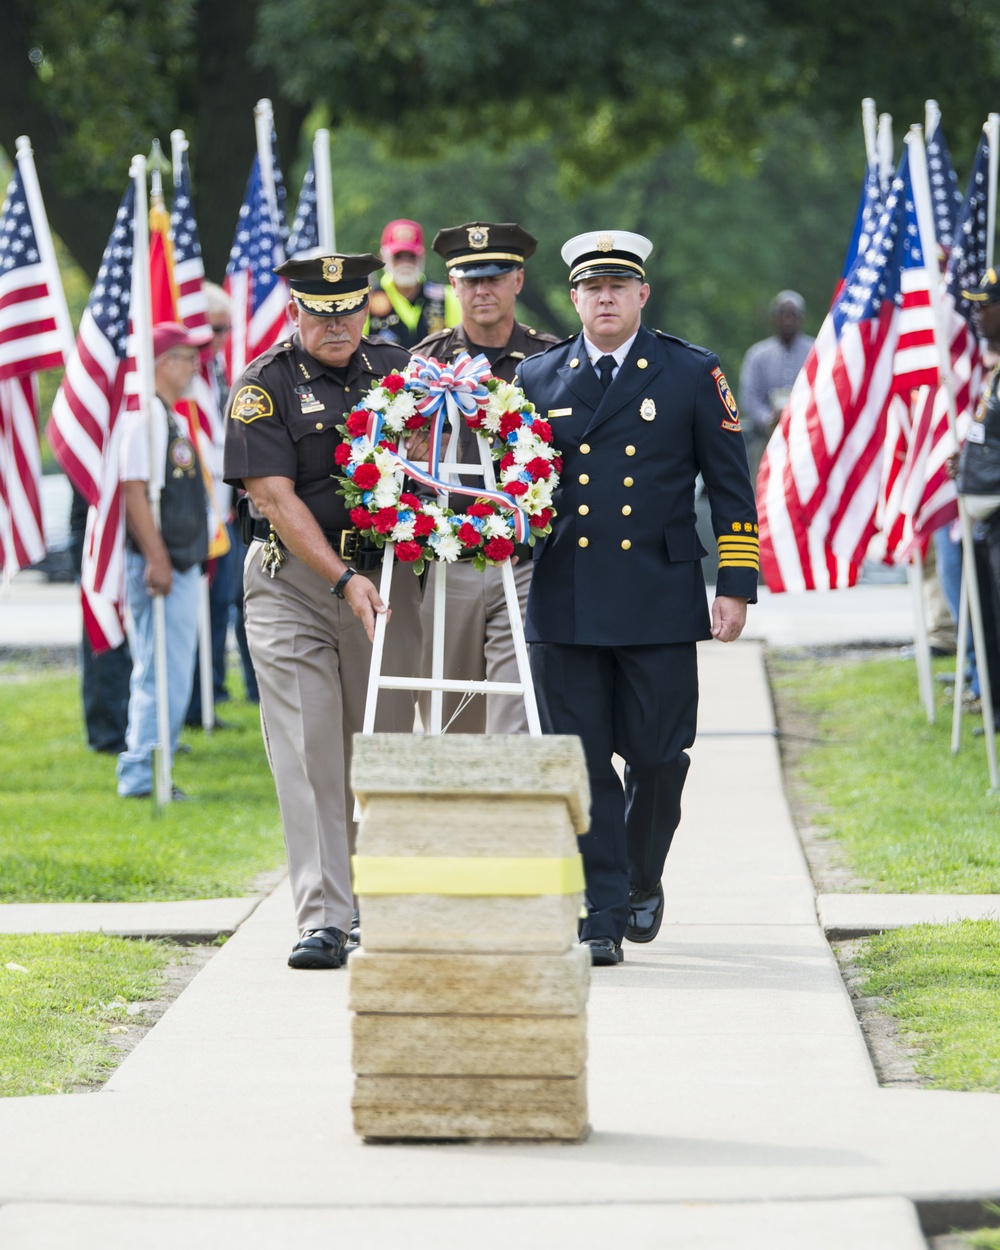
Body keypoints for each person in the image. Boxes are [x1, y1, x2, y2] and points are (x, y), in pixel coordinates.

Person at [516, 231, 759, 966]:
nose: (607, 298)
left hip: (657, 595)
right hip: (568, 600)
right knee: (584, 766)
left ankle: (640, 874)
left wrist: (737, 584)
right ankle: (602, 911)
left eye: (620, 286)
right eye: (593, 288)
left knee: (658, 760)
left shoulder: (689, 372)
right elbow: (512, 487)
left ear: (643, 295)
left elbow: (729, 486)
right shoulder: (537, 377)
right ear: (575, 298)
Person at [223, 253, 424, 971]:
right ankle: (324, 916)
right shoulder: (264, 386)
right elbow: (274, 499)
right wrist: (342, 580)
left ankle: (376, 894)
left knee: (384, 744)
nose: (336, 323)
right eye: (321, 311)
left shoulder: (402, 369)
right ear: (294, 314)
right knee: (311, 751)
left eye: (348, 309)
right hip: (296, 589)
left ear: (368, 305)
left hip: (389, 583)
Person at [412, 221, 559, 734]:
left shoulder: (554, 360)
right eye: (469, 279)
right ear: (453, 285)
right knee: (450, 714)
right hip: (447, 558)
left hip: (526, 559)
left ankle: (508, 813)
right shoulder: (422, 365)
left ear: (518, 281)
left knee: (517, 712)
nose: (482, 291)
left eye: (495, 278)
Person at [116, 321, 213, 799]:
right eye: (185, 358)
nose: (193, 366)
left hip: (178, 563)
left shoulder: (167, 417)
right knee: (160, 670)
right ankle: (142, 773)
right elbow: (134, 490)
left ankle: (155, 766)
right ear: (162, 364)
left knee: (170, 669)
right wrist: (157, 557)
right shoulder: (147, 418)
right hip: (163, 566)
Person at [185, 281, 241, 727]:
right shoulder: (189, 377)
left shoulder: (217, 369)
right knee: (202, 607)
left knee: (222, 603)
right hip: (195, 511)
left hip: (223, 507)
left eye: (225, 329)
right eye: (215, 328)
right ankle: (196, 699)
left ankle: (212, 689)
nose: (221, 338)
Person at [69, 485, 132, 754]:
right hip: (98, 542)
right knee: (104, 638)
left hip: (120, 537)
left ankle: (131, 729)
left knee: (129, 647)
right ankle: (107, 734)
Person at [739, 290, 814, 483]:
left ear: (801, 318)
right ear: (774, 319)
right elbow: (749, 398)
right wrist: (769, 419)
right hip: (766, 438)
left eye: (792, 315)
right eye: (783, 315)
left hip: (807, 438)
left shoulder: (815, 352)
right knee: (760, 485)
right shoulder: (757, 355)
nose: (787, 320)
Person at [366, 219, 460, 348]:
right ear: (383, 259)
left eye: (412, 256)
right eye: (398, 256)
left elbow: (460, 346)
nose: (405, 263)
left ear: (423, 257)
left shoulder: (448, 296)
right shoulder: (367, 301)